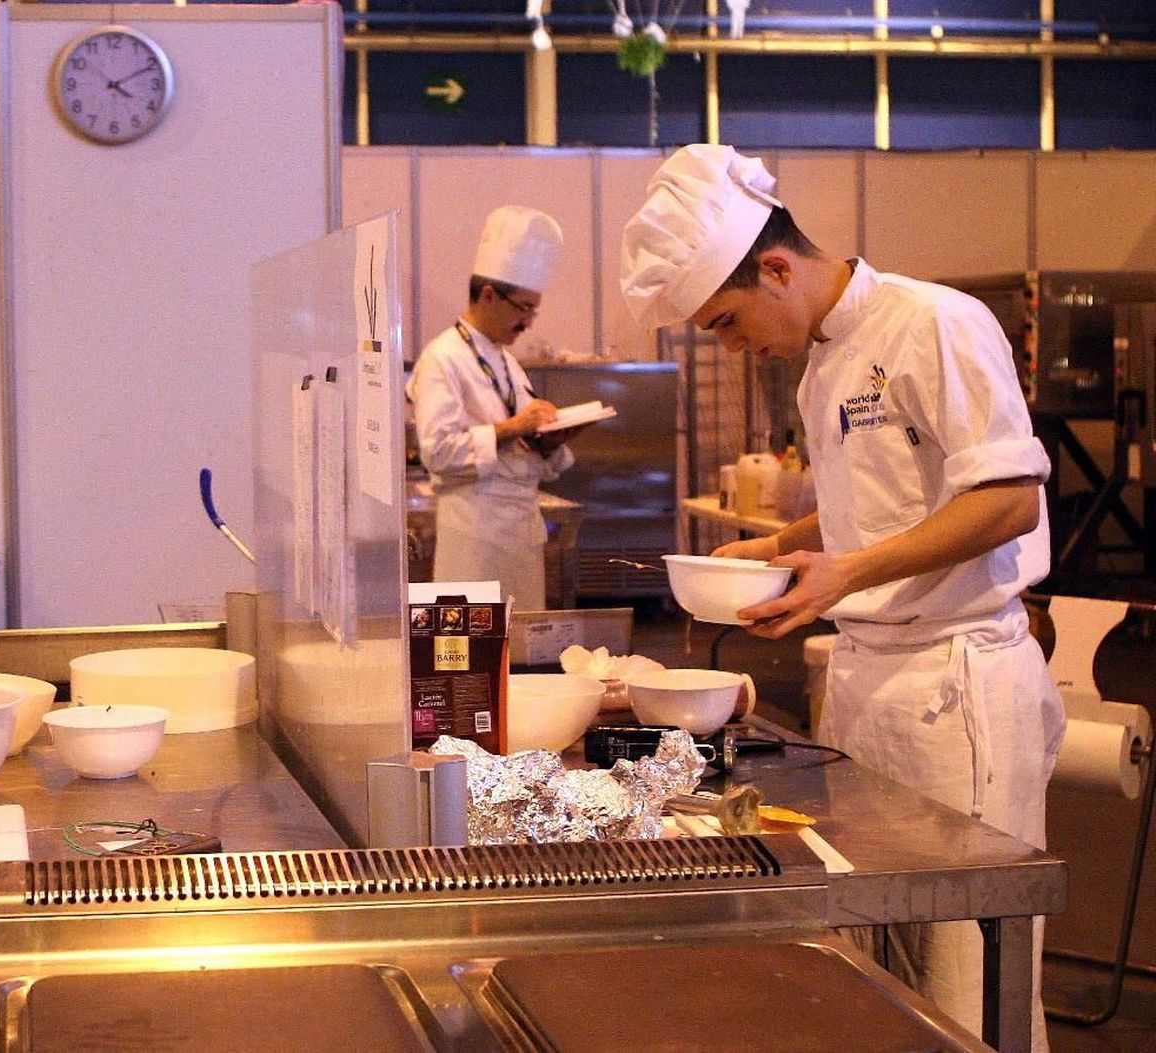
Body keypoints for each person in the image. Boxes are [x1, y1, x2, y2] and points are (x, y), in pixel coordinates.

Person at [619, 145, 1065, 1051]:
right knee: (879, 954)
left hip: (956, 683)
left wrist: (848, 576)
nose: (737, 347)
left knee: (964, 969)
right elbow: (880, 498)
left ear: (777, 266)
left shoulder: (936, 322)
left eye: (731, 321)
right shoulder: (823, 363)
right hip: (867, 681)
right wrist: (782, 545)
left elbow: (1011, 496)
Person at [406, 205, 576, 609]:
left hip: (520, 529)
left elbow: (524, 442)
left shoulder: (506, 359)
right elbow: (439, 451)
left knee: (521, 650)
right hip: (473, 534)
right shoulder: (442, 357)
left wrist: (551, 441)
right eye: (523, 307)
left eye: (534, 309)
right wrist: (514, 428)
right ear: (488, 295)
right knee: (471, 656)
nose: (529, 321)